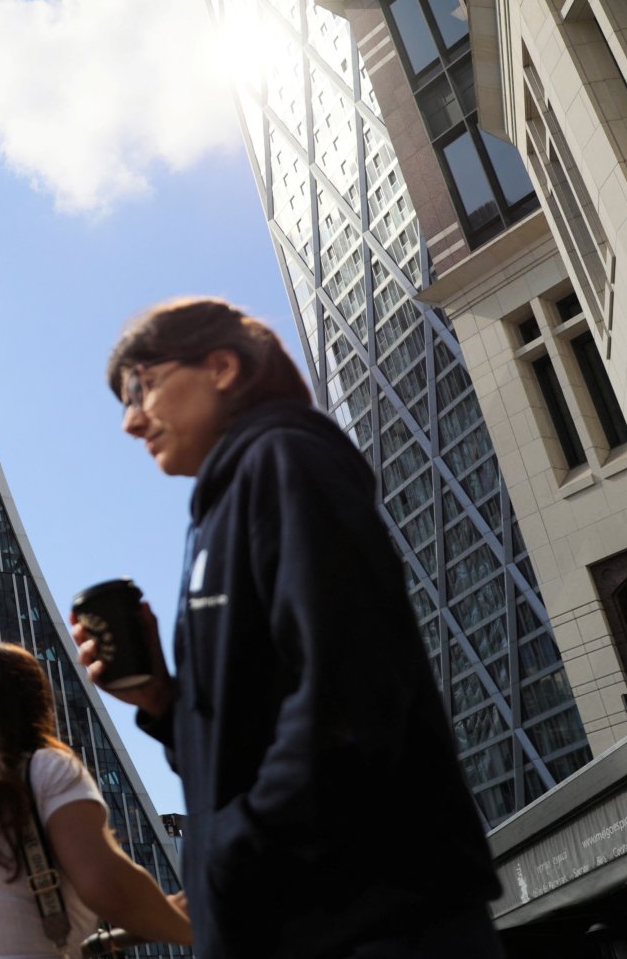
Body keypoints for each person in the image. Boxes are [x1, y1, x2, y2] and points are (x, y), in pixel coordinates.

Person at [73, 296, 505, 958]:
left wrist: (230, 852)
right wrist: (162, 701)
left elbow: (350, 693)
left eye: (142, 386)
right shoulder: (220, 508)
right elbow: (248, 742)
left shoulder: (285, 461)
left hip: (364, 922)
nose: (132, 421)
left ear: (220, 366)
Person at [0, 641, 192, 958]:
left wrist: (166, 909)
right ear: (33, 703)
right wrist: (191, 925)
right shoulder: (44, 768)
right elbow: (107, 885)